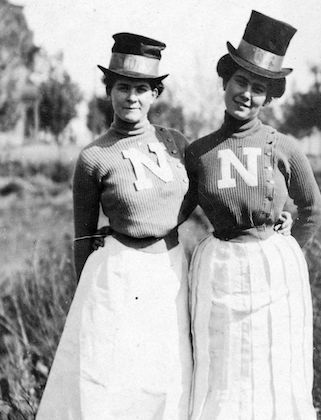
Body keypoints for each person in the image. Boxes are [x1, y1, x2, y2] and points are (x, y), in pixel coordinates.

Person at [36, 33, 193, 420]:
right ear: (110, 91)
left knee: (166, 377)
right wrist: (88, 298)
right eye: (123, 87)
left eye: (142, 88)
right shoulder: (93, 157)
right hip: (117, 277)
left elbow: (207, 197)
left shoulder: (176, 143)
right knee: (111, 380)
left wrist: (278, 215)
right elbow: (83, 235)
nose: (132, 98)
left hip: (171, 270)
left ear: (155, 94)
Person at [185, 10, 321, 420]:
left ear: (268, 97)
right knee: (223, 370)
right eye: (241, 82)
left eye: (258, 88)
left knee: (273, 368)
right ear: (225, 83)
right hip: (220, 268)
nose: (246, 94)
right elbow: (177, 210)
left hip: (273, 271)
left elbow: (313, 210)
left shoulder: (283, 146)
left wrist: (287, 246)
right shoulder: (199, 152)